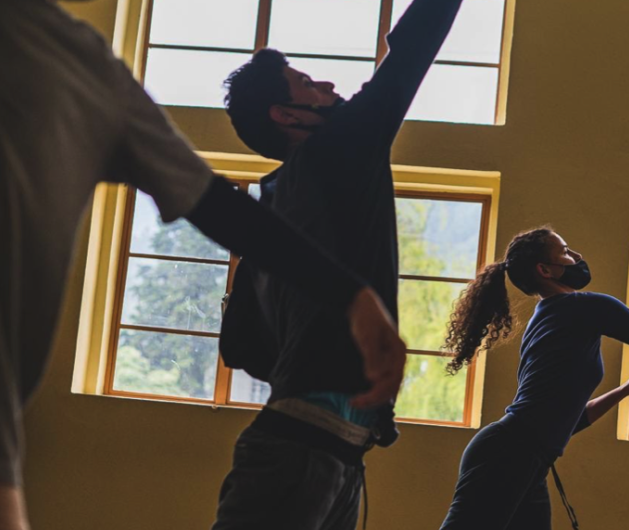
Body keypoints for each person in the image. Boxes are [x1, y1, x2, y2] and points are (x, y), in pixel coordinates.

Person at [0, 1, 405, 529]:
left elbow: (219, 210)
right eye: (306, 81)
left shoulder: (85, 68)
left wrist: (354, 301)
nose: (326, 87)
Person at [212, 0, 465, 528]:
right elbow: (413, 47)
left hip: (325, 449)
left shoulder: (278, 201)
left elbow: (240, 345)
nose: (326, 85)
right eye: (305, 82)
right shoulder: (338, 146)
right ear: (286, 115)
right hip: (304, 452)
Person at [439, 227, 629, 530]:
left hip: (525, 459)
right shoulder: (586, 308)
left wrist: (627, 389)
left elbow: (569, 420)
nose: (577, 257)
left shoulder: (546, 318)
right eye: (565, 251)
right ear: (545, 269)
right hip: (509, 456)